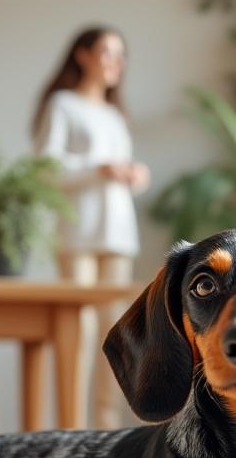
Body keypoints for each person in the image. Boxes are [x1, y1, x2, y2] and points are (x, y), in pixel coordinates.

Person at [33, 26, 149, 429]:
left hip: (116, 234)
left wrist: (132, 174)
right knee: (77, 331)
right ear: (82, 55)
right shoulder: (63, 105)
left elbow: (114, 175)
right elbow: (46, 168)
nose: (116, 62)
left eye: (121, 54)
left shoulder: (115, 115)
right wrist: (97, 168)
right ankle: (71, 427)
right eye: (106, 52)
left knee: (116, 336)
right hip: (78, 232)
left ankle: (105, 430)